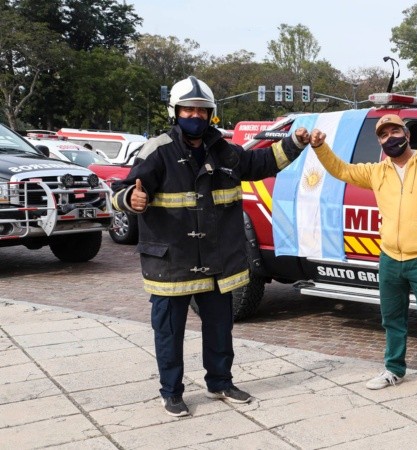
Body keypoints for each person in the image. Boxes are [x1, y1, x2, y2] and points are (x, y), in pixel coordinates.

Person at [112, 76, 310, 417]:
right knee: (169, 331)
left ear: (211, 114)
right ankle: (171, 392)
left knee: (220, 328)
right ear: (175, 111)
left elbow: (258, 164)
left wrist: (294, 143)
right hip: (172, 261)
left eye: (202, 111)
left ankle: (220, 383)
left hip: (218, 260)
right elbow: (121, 191)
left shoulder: (224, 151)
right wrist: (131, 198)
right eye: (189, 109)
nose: (196, 116)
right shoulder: (157, 151)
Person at [306, 114, 417, 401]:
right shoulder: (376, 172)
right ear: (380, 142)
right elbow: (341, 170)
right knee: (392, 319)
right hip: (390, 258)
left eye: (395, 132)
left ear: (407, 134)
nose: (390, 138)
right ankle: (394, 369)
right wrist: (320, 148)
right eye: (384, 135)